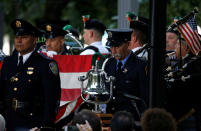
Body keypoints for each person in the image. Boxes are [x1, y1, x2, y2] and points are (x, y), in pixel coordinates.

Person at [0, 19, 61, 130]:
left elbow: (51, 100)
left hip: (33, 124)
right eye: (17, 37)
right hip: (9, 122)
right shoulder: (8, 62)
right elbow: (2, 93)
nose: (19, 41)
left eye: (24, 38)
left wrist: (45, 127)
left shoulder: (45, 64)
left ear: (34, 40)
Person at [103, 28, 148, 129]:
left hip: (131, 122)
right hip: (111, 120)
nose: (113, 50)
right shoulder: (109, 64)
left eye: (117, 46)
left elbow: (144, 97)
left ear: (128, 44)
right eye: (111, 46)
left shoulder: (140, 66)